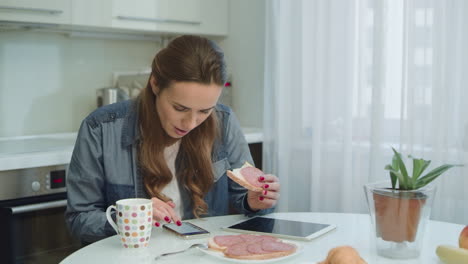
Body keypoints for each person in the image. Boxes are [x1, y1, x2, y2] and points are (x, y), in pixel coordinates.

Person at [65, 35, 280, 244]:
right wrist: (131, 218)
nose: (190, 123)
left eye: (204, 111)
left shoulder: (224, 121)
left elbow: (247, 204)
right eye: (180, 108)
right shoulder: (100, 128)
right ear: (155, 84)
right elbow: (79, 219)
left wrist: (256, 203)